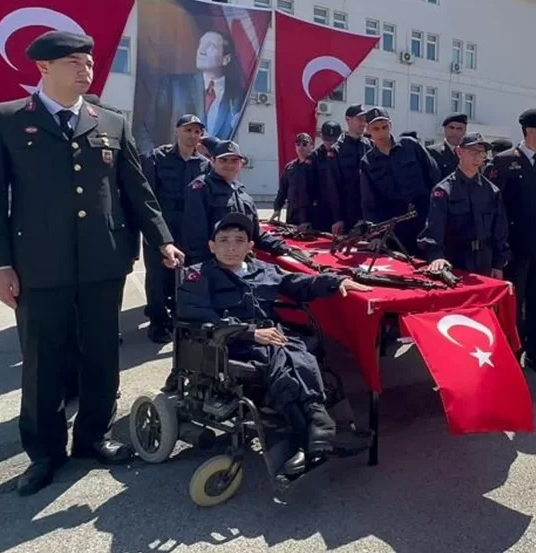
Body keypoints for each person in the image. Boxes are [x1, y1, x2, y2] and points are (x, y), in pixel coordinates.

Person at [0, 31, 184, 496]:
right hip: (38, 264)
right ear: (43, 68)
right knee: (43, 361)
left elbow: (136, 190)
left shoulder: (110, 121)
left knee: (101, 355)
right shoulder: (5, 119)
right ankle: (45, 454)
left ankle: (93, 437)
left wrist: (162, 239)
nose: (85, 69)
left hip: (102, 260)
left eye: (88, 61)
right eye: (73, 61)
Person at [175, 213, 372, 456]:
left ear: (250, 246)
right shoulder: (198, 275)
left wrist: (336, 281)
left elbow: (298, 283)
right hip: (227, 342)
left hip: (270, 337)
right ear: (211, 246)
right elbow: (198, 316)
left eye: (239, 240)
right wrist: (249, 333)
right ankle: (315, 427)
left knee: (295, 352)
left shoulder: (263, 270)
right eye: (224, 240)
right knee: (286, 356)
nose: (231, 247)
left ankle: (329, 427)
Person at [485, 108, 536, 375]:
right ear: (530, 131)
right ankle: (512, 350)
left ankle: (534, 351)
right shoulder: (504, 162)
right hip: (516, 246)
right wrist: (499, 246)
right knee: (514, 302)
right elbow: (495, 208)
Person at [141, 114, 211, 342]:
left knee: (185, 277)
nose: (192, 135)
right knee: (158, 277)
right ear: (177, 131)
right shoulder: (156, 158)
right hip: (161, 229)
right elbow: (147, 197)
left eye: (197, 132)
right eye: (188, 130)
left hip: (190, 231)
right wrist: (154, 231)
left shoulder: (204, 165)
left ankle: (178, 318)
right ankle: (158, 321)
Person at [182, 139, 287, 265]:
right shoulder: (201, 188)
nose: (229, 165)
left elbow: (254, 232)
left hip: (240, 262)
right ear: (213, 161)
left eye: (234, 160)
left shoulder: (240, 190)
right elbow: (195, 237)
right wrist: (207, 270)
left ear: (241, 163)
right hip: (213, 265)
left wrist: (281, 246)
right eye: (223, 160)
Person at [418, 133, 510, 276]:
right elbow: (434, 228)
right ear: (459, 152)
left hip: (484, 259)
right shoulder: (444, 190)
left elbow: (499, 230)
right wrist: (436, 256)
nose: (477, 157)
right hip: (455, 258)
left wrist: (498, 264)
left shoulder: (491, 191)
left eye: (482, 153)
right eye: (473, 151)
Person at [142, 29, 246, 149]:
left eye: (210, 46)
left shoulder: (238, 96)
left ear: (226, 59)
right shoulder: (173, 85)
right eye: (201, 44)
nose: (201, 51)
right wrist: (154, 160)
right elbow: (146, 129)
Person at [359, 107, 441, 253]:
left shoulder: (410, 145)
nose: (381, 132)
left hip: (425, 220)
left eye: (385, 127)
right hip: (395, 228)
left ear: (390, 125)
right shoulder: (368, 162)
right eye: (376, 128)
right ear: (368, 130)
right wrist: (376, 235)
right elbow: (370, 202)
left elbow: (434, 175)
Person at [328, 105, 371, 234]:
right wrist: (338, 218)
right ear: (348, 120)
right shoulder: (337, 150)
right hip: (348, 216)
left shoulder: (371, 146)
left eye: (365, 119)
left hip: (370, 215)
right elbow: (333, 187)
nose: (363, 123)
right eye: (360, 119)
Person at [274, 133, 319, 228]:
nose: (301, 147)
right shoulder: (290, 167)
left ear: (312, 146)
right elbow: (283, 190)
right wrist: (277, 208)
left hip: (310, 218)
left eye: (304, 144)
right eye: (298, 144)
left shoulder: (317, 166)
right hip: (292, 215)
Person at [309, 121, 342, 232]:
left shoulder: (345, 154)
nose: (331, 143)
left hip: (343, 210)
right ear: (321, 137)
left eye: (334, 140)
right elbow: (308, 187)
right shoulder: (314, 157)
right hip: (321, 210)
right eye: (327, 140)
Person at [426, 114, 467, 179]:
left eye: (459, 129)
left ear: (465, 131)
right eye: (451, 127)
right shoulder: (432, 152)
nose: (454, 132)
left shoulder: (468, 153)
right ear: (445, 129)